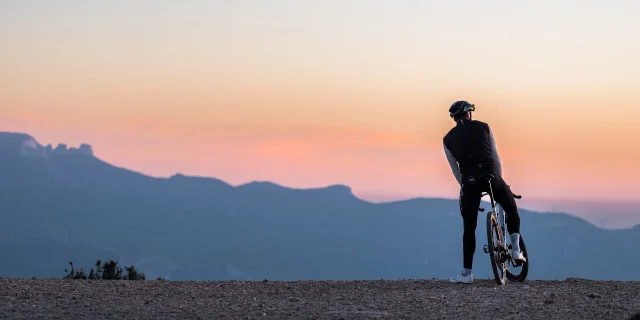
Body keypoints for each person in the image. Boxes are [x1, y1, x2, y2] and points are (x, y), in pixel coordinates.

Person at [442, 100, 525, 284]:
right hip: (492, 177)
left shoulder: (447, 139)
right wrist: (500, 181)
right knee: (511, 209)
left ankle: (466, 274)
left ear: (454, 118)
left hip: (470, 183)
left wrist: (464, 189)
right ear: (469, 114)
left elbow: (456, 171)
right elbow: (495, 156)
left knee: (469, 229)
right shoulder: (484, 127)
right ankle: (516, 250)